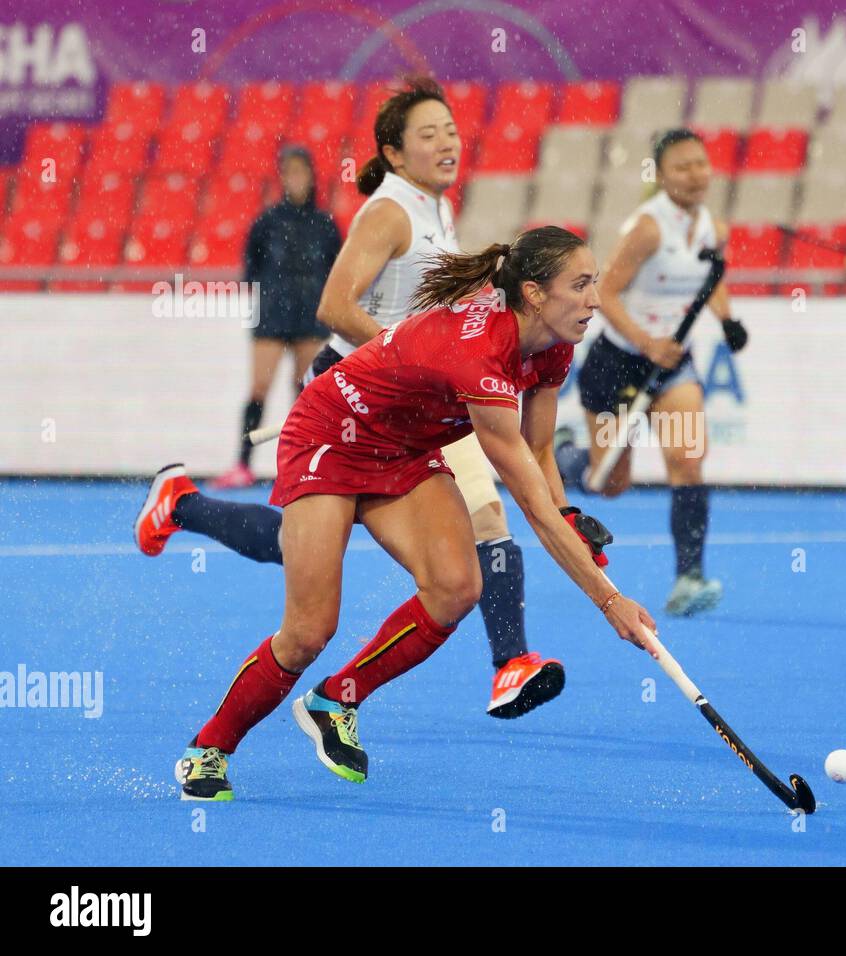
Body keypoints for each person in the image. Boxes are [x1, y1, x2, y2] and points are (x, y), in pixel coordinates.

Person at [136, 77, 573, 719]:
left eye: (450, 130)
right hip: (352, 397)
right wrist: (421, 358)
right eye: (428, 135)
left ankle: (510, 664)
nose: (447, 142)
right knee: (296, 548)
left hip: (415, 406)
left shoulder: (436, 206)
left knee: (483, 519)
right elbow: (334, 307)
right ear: (395, 154)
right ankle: (185, 504)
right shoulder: (390, 210)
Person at [175, 227, 658, 801]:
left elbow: (540, 453)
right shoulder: (482, 356)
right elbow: (529, 502)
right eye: (580, 286)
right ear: (533, 293)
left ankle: (336, 699)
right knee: (309, 631)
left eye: (594, 284)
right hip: (331, 436)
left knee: (456, 586)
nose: (595, 301)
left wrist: (569, 511)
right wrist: (609, 600)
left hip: (404, 449)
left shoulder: (554, 342)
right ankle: (208, 748)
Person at [554, 128, 748, 616]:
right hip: (619, 364)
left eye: (701, 163)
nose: (696, 174)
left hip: (673, 367)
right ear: (661, 175)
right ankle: (567, 457)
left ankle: (688, 577)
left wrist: (727, 321)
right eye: (683, 166)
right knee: (609, 483)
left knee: (687, 459)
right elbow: (607, 294)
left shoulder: (712, 227)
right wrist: (646, 343)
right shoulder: (647, 228)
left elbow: (710, 279)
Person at [210, 145, 340, 490]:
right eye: (290, 171)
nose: (296, 179)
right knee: (259, 387)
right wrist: (275, 291)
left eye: (301, 171)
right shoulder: (267, 222)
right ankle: (243, 463)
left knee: (306, 391)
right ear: (282, 177)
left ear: (312, 177)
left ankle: (302, 463)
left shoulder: (325, 224)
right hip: (272, 314)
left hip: (311, 316)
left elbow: (336, 269)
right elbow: (251, 268)